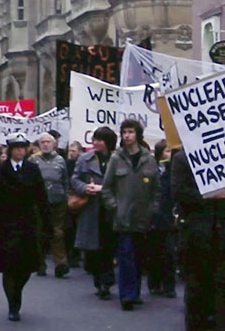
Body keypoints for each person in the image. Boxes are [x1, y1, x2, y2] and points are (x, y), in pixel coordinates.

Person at [173, 148, 225, 331]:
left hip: (224, 234)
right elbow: (178, 192)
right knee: (198, 289)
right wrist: (207, 194)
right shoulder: (183, 158)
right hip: (196, 236)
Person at [0, 132, 51, 322]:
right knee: (9, 267)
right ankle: (13, 305)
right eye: (17, 148)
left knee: (26, 267)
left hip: (27, 223)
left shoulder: (32, 169)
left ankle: (17, 292)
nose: (21, 151)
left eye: (23, 148)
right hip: (5, 224)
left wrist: (47, 223)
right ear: (11, 150)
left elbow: (41, 197)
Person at [101, 120, 161, 311]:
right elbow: (107, 187)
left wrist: (153, 209)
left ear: (138, 135)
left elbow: (156, 189)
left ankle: (135, 292)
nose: (127, 135)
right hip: (123, 217)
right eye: (124, 132)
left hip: (143, 217)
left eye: (130, 132)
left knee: (139, 257)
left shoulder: (148, 159)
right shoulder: (116, 159)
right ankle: (127, 295)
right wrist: (114, 207)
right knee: (126, 256)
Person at [72, 127, 118, 300]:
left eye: (100, 140)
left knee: (108, 246)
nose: (96, 143)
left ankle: (106, 282)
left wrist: (103, 188)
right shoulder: (85, 159)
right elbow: (74, 179)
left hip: (111, 208)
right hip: (91, 208)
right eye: (95, 139)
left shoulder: (118, 159)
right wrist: (84, 188)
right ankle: (98, 280)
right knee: (93, 248)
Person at [29, 132, 70, 278]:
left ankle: (61, 263)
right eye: (43, 142)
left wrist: (66, 197)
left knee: (57, 232)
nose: (46, 144)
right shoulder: (33, 160)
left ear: (54, 144)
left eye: (48, 142)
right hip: (39, 202)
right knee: (39, 232)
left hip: (58, 200)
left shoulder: (60, 160)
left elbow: (65, 180)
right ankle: (40, 264)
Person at [146, 140, 177, 299]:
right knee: (153, 252)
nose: (169, 155)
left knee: (169, 253)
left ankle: (169, 286)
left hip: (168, 215)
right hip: (153, 216)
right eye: (166, 151)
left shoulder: (174, 171)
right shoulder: (152, 170)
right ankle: (154, 283)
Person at [65, 140, 83, 268]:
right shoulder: (66, 164)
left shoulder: (82, 164)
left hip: (80, 198)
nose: (71, 153)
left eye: (74, 151)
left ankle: (76, 254)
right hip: (68, 197)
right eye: (70, 151)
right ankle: (69, 254)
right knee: (69, 228)